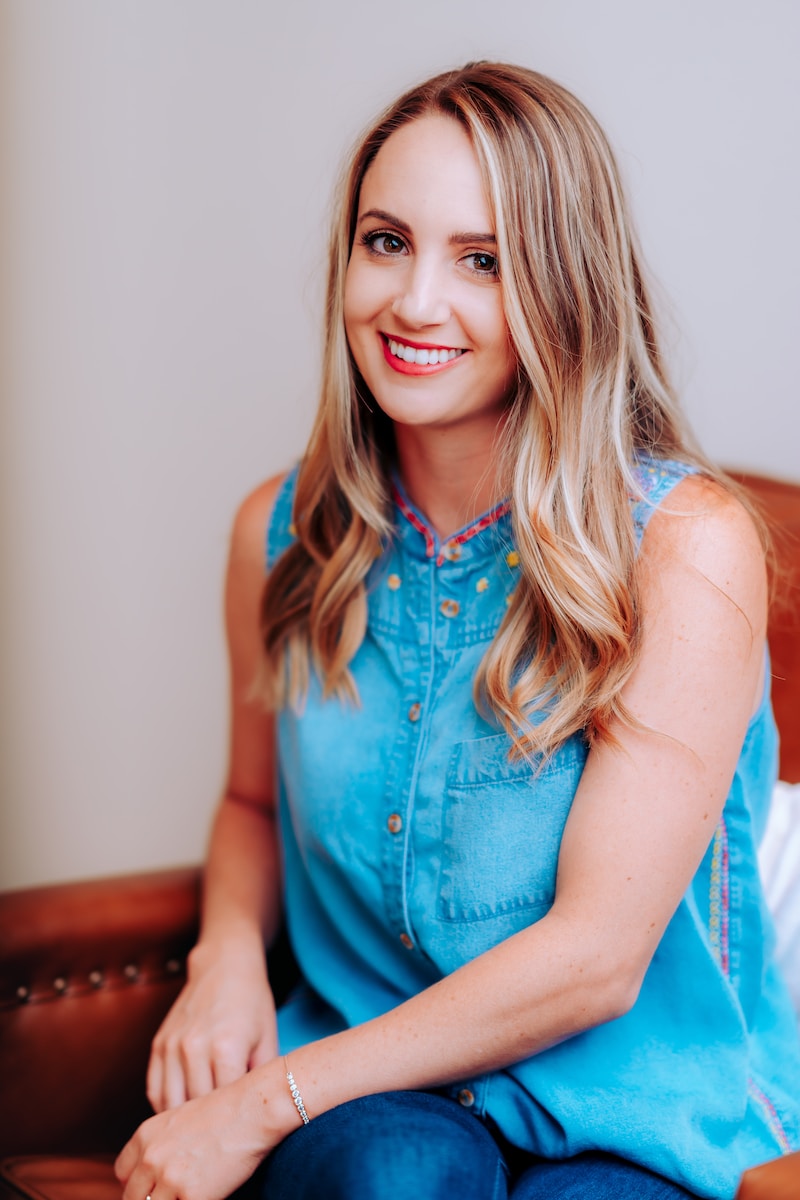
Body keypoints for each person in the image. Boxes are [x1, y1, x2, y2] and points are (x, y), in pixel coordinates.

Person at [114, 62, 800, 1200]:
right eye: (386, 243)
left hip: (625, 1102)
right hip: (369, 1085)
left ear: (564, 285)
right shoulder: (279, 535)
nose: (414, 302)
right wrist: (223, 960)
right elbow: (248, 805)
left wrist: (260, 1105)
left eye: (481, 261)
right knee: (388, 1175)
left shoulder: (687, 547)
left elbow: (594, 959)